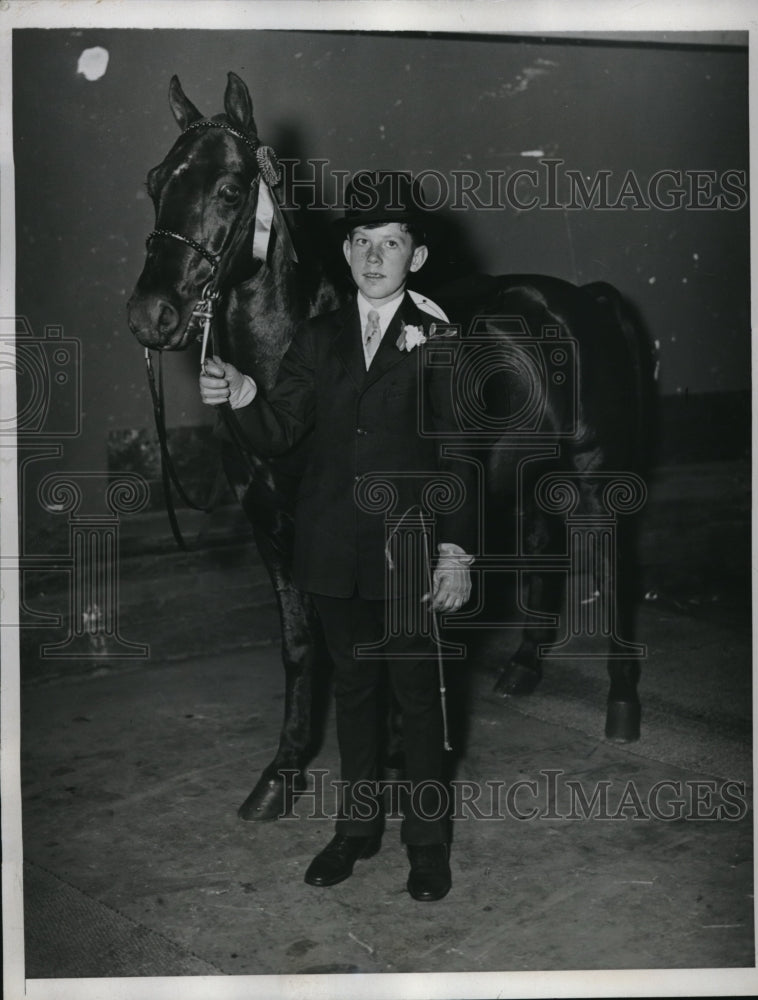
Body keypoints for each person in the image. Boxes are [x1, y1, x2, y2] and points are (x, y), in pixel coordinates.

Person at [199, 171, 476, 901]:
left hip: (410, 553)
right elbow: (281, 431)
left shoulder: (441, 338)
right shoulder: (315, 338)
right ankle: (354, 832)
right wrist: (241, 396)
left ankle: (426, 844)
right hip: (331, 550)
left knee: (418, 696)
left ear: (415, 257)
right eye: (361, 241)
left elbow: (460, 455)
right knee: (352, 690)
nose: (374, 255)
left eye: (391, 242)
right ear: (347, 253)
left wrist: (454, 549)